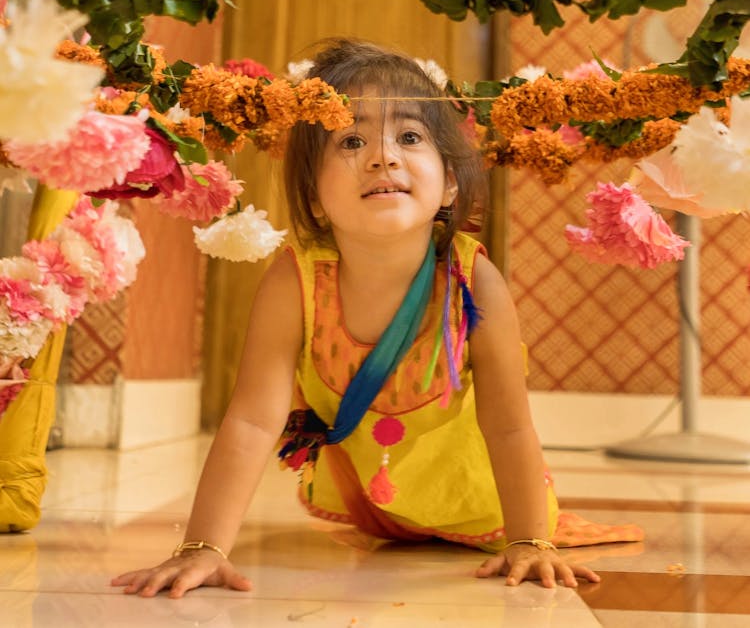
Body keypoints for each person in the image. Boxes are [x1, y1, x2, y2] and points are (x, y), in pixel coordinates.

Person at [112, 38, 600, 598]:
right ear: (315, 196)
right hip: (374, 511)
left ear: (451, 183)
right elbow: (250, 421)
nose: (383, 156)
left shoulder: (473, 282)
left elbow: (509, 425)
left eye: (410, 137)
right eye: (351, 140)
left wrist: (531, 541)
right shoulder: (294, 282)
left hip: (482, 508)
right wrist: (202, 548)